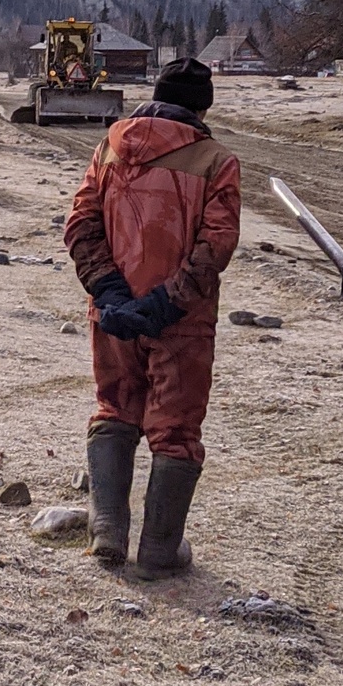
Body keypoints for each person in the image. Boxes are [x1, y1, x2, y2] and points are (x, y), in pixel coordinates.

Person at [62, 56, 240, 575]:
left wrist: (112, 292)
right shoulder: (216, 160)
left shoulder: (110, 146)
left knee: (114, 409)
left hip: (113, 315)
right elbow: (216, 246)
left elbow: (80, 226)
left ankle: (107, 533)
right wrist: (166, 303)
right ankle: (160, 550)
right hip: (180, 321)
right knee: (176, 430)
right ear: (203, 106)